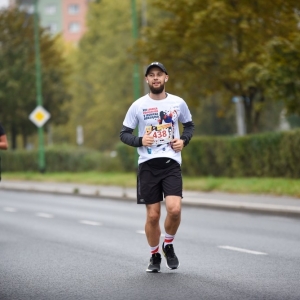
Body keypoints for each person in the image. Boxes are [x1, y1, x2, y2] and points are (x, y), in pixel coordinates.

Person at [120, 62, 194, 273]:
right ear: (146, 80)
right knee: (153, 216)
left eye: (159, 75)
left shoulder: (178, 103)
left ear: (166, 78)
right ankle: (154, 256)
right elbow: (124, 134)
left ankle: (167, 244)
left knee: (175, 209)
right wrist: (141, 140)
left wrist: (184, 141)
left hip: (171, 163)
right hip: (148, 166)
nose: (155, 78)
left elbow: (189, 125)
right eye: (151, 75)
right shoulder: (138, 106)